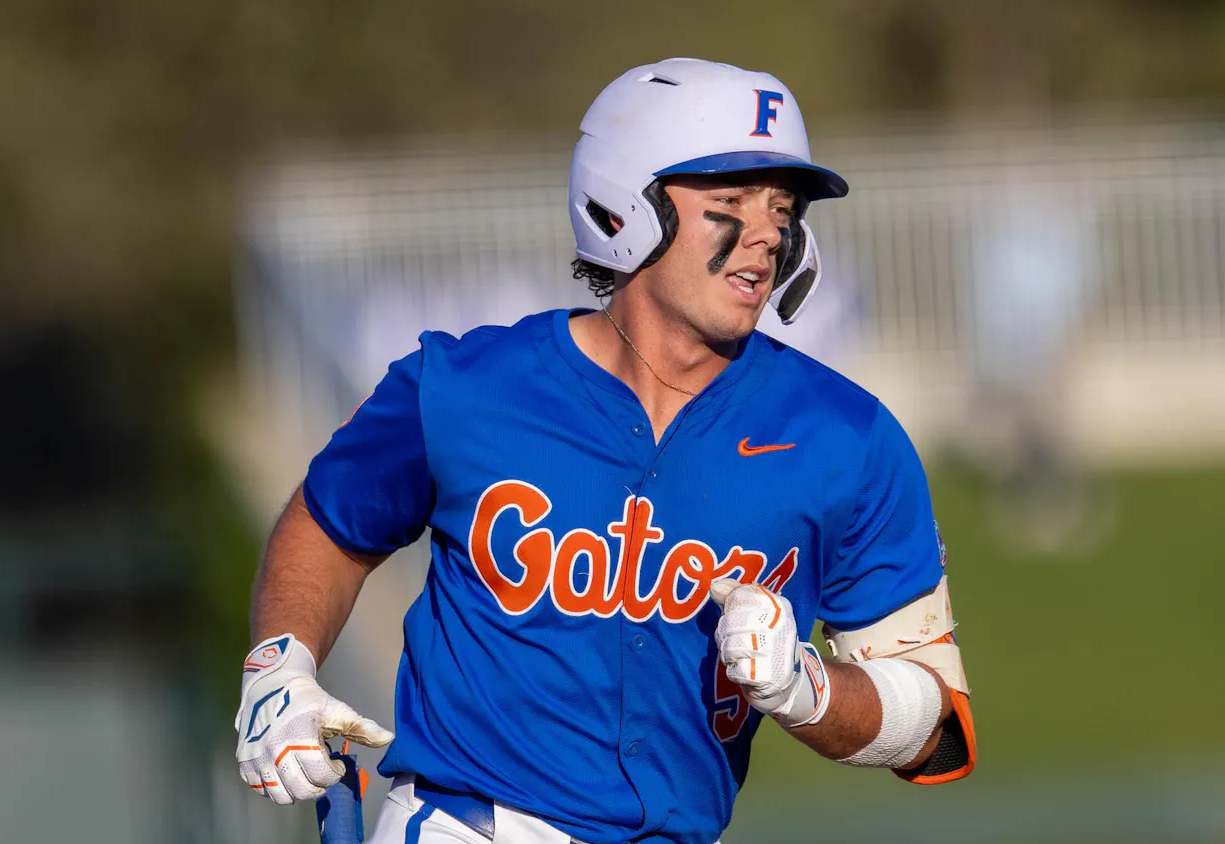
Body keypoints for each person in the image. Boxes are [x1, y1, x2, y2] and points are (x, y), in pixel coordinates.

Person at [233, 58, 976, 844]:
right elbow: (329, 524)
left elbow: (935, 720)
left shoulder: (848, 438)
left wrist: (807, 688)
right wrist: (280, 663)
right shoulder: (462, 387)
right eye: (729, 202)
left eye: (783, 209)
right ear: (625, 207)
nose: (768, 233)